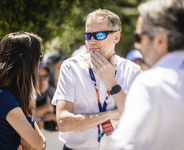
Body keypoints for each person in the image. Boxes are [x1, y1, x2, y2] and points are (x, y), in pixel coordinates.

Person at [112, 0, 184, 149]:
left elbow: (123, 146)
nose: (137, 45)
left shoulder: (150, 84)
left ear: (160, 40)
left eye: (139, 37)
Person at [52, 9, 142, 150]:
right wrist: (111, 114)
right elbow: (63, 122)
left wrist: (111, 81)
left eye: (99, 35)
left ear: (116, 37)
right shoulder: (70, 67)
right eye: (88, 35)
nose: (92, 41)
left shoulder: (132, 71)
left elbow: (135, 116)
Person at [0, 31, 46, 150]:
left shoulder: (15, 95)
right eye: (39, 57)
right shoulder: (5, 97)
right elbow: (38, 143)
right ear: (27, 62)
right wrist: (39, 141)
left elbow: (40, 144)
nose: (39, 63)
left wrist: (39, 141)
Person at [35, 62, 63, 150]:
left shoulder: (53, 93)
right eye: (38, 77)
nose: (42, 81)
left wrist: (53, 117)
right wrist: (45, 108)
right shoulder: (26, 95)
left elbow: (67, 118)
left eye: (45, 77)